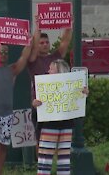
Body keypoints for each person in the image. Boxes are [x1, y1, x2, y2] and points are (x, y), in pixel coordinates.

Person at [32, 59, 88, 175]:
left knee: (64, 159)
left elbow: (78, 100)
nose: (48, 71)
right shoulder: (44, 85)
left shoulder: (71, 85)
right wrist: (35, 103)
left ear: (59, 71)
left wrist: (83, 93)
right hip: (49, 124)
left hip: (65, 124)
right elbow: (36, 102)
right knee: (45, 158)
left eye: (51, 69)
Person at [0, 42, 32, 175]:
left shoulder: (12, 70)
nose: (3, 54)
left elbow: (24, 57)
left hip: (6, 115)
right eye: (0, 52)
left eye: (6, 52)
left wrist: (29, 41)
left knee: (3, 146)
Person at [28, 17, 73, 154]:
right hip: (39, 103)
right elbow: (33, 47)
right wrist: (38, 27)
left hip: (56, 103)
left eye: (47, 42)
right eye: (41, 42)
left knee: (59, 135)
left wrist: (69, 24)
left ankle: (58, 158)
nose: (45, 44)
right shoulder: (33, 60)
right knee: (39, 135)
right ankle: (38, 161)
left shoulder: (55, 58)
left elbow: (65, 42)